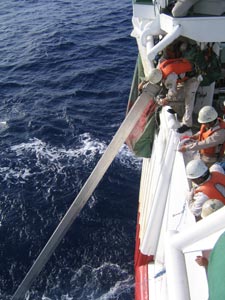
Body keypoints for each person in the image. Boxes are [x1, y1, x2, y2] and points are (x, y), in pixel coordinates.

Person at [147, 58, 201, 133]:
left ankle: (187, 124)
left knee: (189, 101)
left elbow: (173, 93)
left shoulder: (170, 77)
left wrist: (166, 99)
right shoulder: (159, 68)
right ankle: (177, 109)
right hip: (186, 75)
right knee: (177, 97)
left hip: (193, 78)